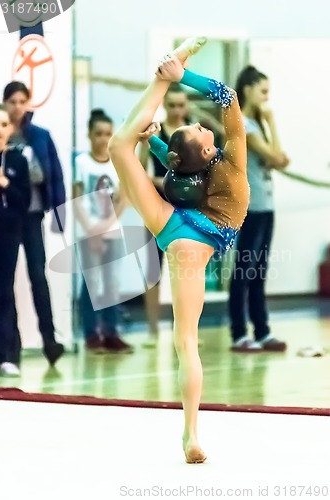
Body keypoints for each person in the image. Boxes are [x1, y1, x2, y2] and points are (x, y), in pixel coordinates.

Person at [108, 37, 249, 463]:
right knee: (188, 341)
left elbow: (180, 164)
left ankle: (191, 435)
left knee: (118, 147)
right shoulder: (232, 161)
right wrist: (182, 75)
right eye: (202, 130)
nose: (207, 127)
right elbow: (229, 96)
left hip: (174, 228)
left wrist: (154, 141)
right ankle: (190, 435)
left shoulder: (191, 167)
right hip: (196, 239)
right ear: (207, 149)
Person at [140, 83, 224, 347]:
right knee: (154, 271)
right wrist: (165, 181)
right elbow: (142, 172)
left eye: (181, 105)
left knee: (188, 273)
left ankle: (187, 330)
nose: (177, 110)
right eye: (172, 105)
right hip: (160, 209)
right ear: (165, 106)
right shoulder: (162, 135)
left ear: (187, 105)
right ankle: (153, 329)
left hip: (188, 212)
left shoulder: (197, 136)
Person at [3, 81, 66, 366]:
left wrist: (61, 214)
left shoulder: (40, 136)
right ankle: (10, 347)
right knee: (5, 282)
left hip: (32, 215)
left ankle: (50, 340)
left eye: (22, 101)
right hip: (5, 217)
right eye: (12, 101)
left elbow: (55, 176)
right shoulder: (0, 133)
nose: (17, 107)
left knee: (38, 277)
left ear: (28, 104)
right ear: (5, 103)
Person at [228, 66, 289, 353]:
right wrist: (272, 122)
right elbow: (275, 156)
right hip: (249, 209)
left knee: (259, 271)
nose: (267, 97)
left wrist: (273, 142)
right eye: (263, 90)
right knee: (244, 270)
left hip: (266, 206)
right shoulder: (244, 125)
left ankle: (262, 330)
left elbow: (278, 158)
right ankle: (239, 332)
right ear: (249, 89)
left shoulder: (256, 124)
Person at [74, 109, 133, 353]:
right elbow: (77, 197)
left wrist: (108, 224)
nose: (103, 138)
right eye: (98, 133)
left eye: (107, 134)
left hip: (112, 230)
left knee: (111, 283)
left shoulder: (117, 162)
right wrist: (91, 229)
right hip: (88, 230)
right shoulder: (82, 163)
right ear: (89, 135)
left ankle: (111, 333)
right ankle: (91, 334)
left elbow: (123, 197)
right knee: (90, 282)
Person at [0, 103, 30, 377]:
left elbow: (25, 202)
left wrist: (5, 184)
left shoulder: (17, 161)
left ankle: (8, 354)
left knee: (4, 292)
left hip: (8, 234)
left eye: (3, 125)